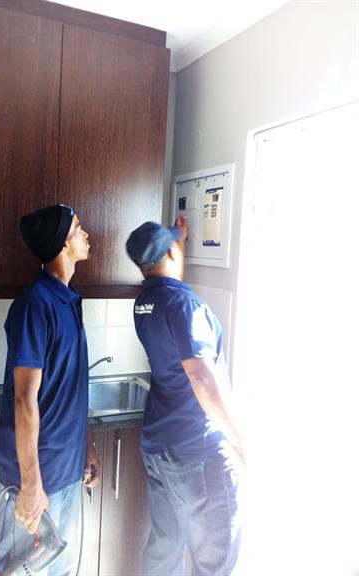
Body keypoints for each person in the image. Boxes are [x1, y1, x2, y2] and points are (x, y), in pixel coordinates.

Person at [126, 217, 244, 576]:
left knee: (165, 549)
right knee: (215, 561)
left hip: (160, 447)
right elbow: (201, 377)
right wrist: (237, 439)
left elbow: (169, 291)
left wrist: (177, 241)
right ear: (171, 253)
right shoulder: (184, 305)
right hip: (197, 452)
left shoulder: (145, 302)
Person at [0, 204, 101, 576]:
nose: (85, 234)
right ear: (62, 244)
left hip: (67, 470)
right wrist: (30, 485)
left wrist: (86, 445)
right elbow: (24, 399)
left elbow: (71, 386)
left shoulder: (70, 299)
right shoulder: (35, 305)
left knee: (60, 570)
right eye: (78, 228)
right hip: (37, 477)